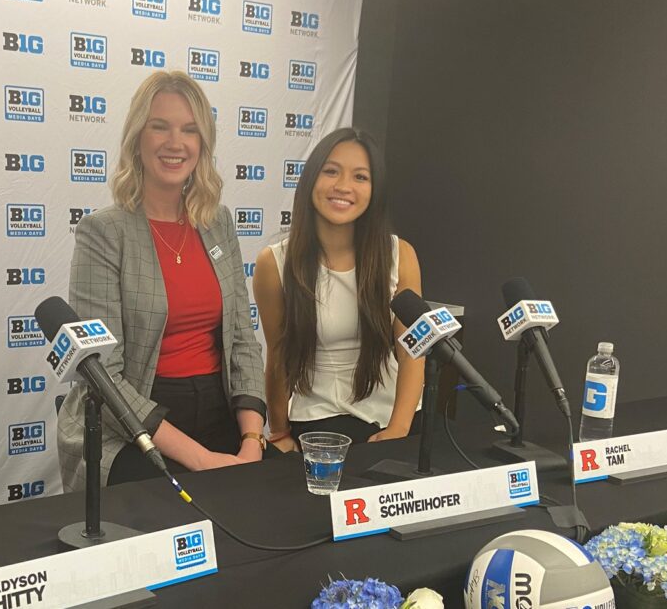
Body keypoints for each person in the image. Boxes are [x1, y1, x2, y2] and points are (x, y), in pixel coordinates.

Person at [58, 70, 270, 491]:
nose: (176, 143)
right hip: (133, 423)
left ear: (202, 144)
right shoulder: (103, 232)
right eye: (161, 127)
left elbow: (243, 339)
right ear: (138, 137)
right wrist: (201, 459)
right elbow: (104, 374)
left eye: (190, 130)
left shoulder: (218, 222)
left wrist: (251, 441)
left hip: (219, 407)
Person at [252, 127, 425, 452]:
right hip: (318, 424)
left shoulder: (400, 255)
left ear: (375, 190)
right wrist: (279, 431)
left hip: (395, 419)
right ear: (311, 180)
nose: (343, 186)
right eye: (331, 171)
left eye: (361, 177)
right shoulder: (274, 264)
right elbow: (278, 356)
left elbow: (412, 352)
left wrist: (398, 429)